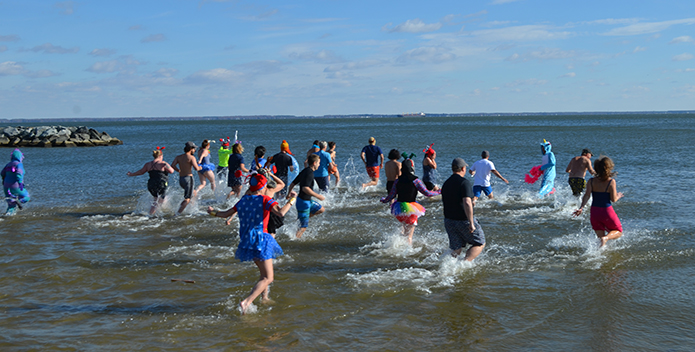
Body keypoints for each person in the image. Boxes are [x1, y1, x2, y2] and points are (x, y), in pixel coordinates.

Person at [207, 173, 297, 314]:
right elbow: (281, 213)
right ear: (263, 187)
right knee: (269, 277)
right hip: (262, 239)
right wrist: (292, 199)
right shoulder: (265, 199)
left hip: (247, 241)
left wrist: (212, 212)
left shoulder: (243, 200)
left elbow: (225, 214)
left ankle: (264, 298)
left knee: (263, 275)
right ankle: (247, 302)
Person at [380, 155, 441, 245]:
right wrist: (439, 192)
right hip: (412, 209)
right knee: (409, 236)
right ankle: (407, 253)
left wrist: (384, 200)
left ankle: (398, 246)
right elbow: (427, 193)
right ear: (411, 168)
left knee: (404, 231)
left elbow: (391, 195)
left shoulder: (398, 180)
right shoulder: (416, 181)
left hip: (399, 208)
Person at [573, 156, 624, 247]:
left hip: (594, 212)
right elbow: (613, 199)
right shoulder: (611, 182)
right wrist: (618, 196)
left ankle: (601, 252)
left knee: (600, 239)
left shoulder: (591, 181)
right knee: (618, 232)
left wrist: (581, 207)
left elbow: (587, 195)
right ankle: (606, 238)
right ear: (608, 168)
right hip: (606, 211)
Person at [441, 158, 486, 261]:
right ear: (463, 168)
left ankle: (448, 266)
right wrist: (471, 223)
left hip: (449, 221)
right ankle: (464, 264)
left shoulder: (446, 183)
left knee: (456, 248)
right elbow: (467, 202)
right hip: (463, 220)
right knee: (480, 242)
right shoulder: (464, 182)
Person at [126, 147, 175, 215]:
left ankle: (153, 212)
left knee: (156, 199)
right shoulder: (163, 163)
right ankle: (152, 214)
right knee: (160, 199)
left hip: (151, 184)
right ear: (161, 156)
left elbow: (141, 172)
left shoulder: (148, 164)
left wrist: (131, 174)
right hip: (161, 183)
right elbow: (172, 171)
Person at [287, 154, 326, 239]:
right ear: (314, 163)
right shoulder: (309, 173)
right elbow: (305, 188)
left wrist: (288, 194)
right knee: (303, 227)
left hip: (307, 201)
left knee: (321, 209)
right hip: (303, 203)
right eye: (319, 163)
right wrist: (318, 196)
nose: (319, 164)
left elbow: (293, 183)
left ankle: (301, 220)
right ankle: (295, 241)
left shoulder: (305, 170)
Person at [171, 141, 202, 214]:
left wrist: (178, 170)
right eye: (194, 149)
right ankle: (177, 213)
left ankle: (192, 208)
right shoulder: (191, 157)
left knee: (194, 193)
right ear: (191, 149)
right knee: (187, 199)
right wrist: (200, 167)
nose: (195, 150)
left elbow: (172, 165)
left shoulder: (178, 157)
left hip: (181, 179)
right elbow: (196, 168)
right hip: (188, 179)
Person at [2, 149, 30, 215]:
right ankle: (18, 201)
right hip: (15, 185)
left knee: (11, 205)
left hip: (6, 187)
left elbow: (2, 173)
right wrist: (20, 182)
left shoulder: (8, 164)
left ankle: (7, 216)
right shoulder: (19, 164)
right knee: (26, 197)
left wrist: (3, 181)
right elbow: (19, 174)